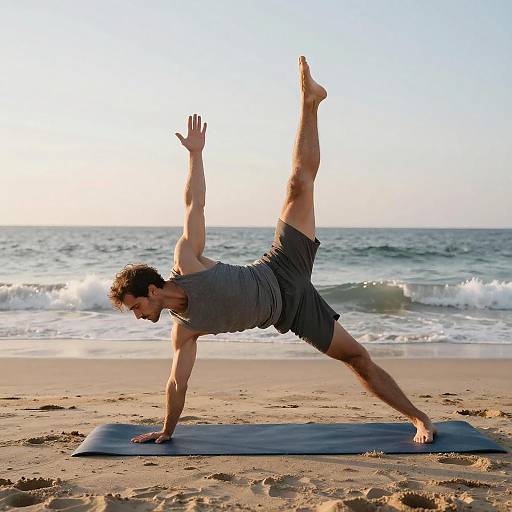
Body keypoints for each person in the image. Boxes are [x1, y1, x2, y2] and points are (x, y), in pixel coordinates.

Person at [109, 56, 435, 445]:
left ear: (151, 290)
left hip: (281, 266)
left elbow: (194, 204)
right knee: (357, 359)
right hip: (292, 311)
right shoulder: (185, 331)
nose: (138, 316)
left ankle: (309, 101)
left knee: (299, 183)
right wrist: (167, 430)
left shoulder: (187, 261)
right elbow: (177, 382)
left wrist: (195, 156)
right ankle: (419, 416)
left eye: (136, 307)